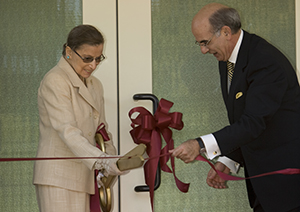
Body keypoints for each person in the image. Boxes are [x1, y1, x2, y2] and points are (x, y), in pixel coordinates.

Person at [170, 3, 300, 212]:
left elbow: (253, 122)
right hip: (265, 189)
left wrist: (199, 144)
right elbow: (248, 119)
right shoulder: (228, 58)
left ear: (226, 32)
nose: (203, 50)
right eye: (199, 44)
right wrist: (230, 159)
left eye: (205, 42)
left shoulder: (265, 61)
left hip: (287, 188)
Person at [33, 24, 127, 212]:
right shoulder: (55, 80)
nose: (93, 65)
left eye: (98, 59)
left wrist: (113, 159)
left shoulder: (95, 84)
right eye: (87, 58)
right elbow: (67, 131)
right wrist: (103, 161)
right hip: (58, 179)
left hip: (87, 176)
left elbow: (102, 130)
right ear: (69, 51)